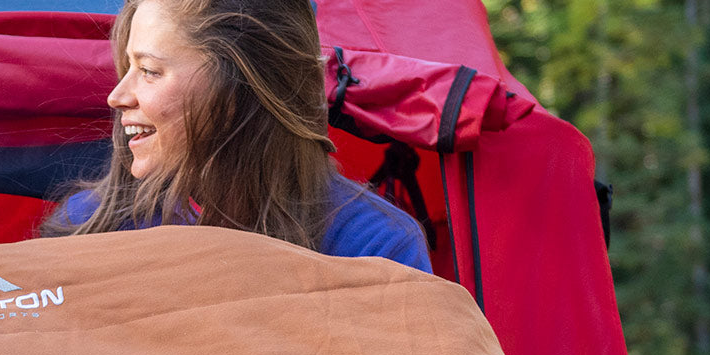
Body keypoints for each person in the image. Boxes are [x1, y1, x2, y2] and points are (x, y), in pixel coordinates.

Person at [47, 0, 431, 273]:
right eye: (127, 67)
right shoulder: (89, 227)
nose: (117, 97)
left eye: (149, 70)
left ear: (241, 88)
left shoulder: (374, 247)